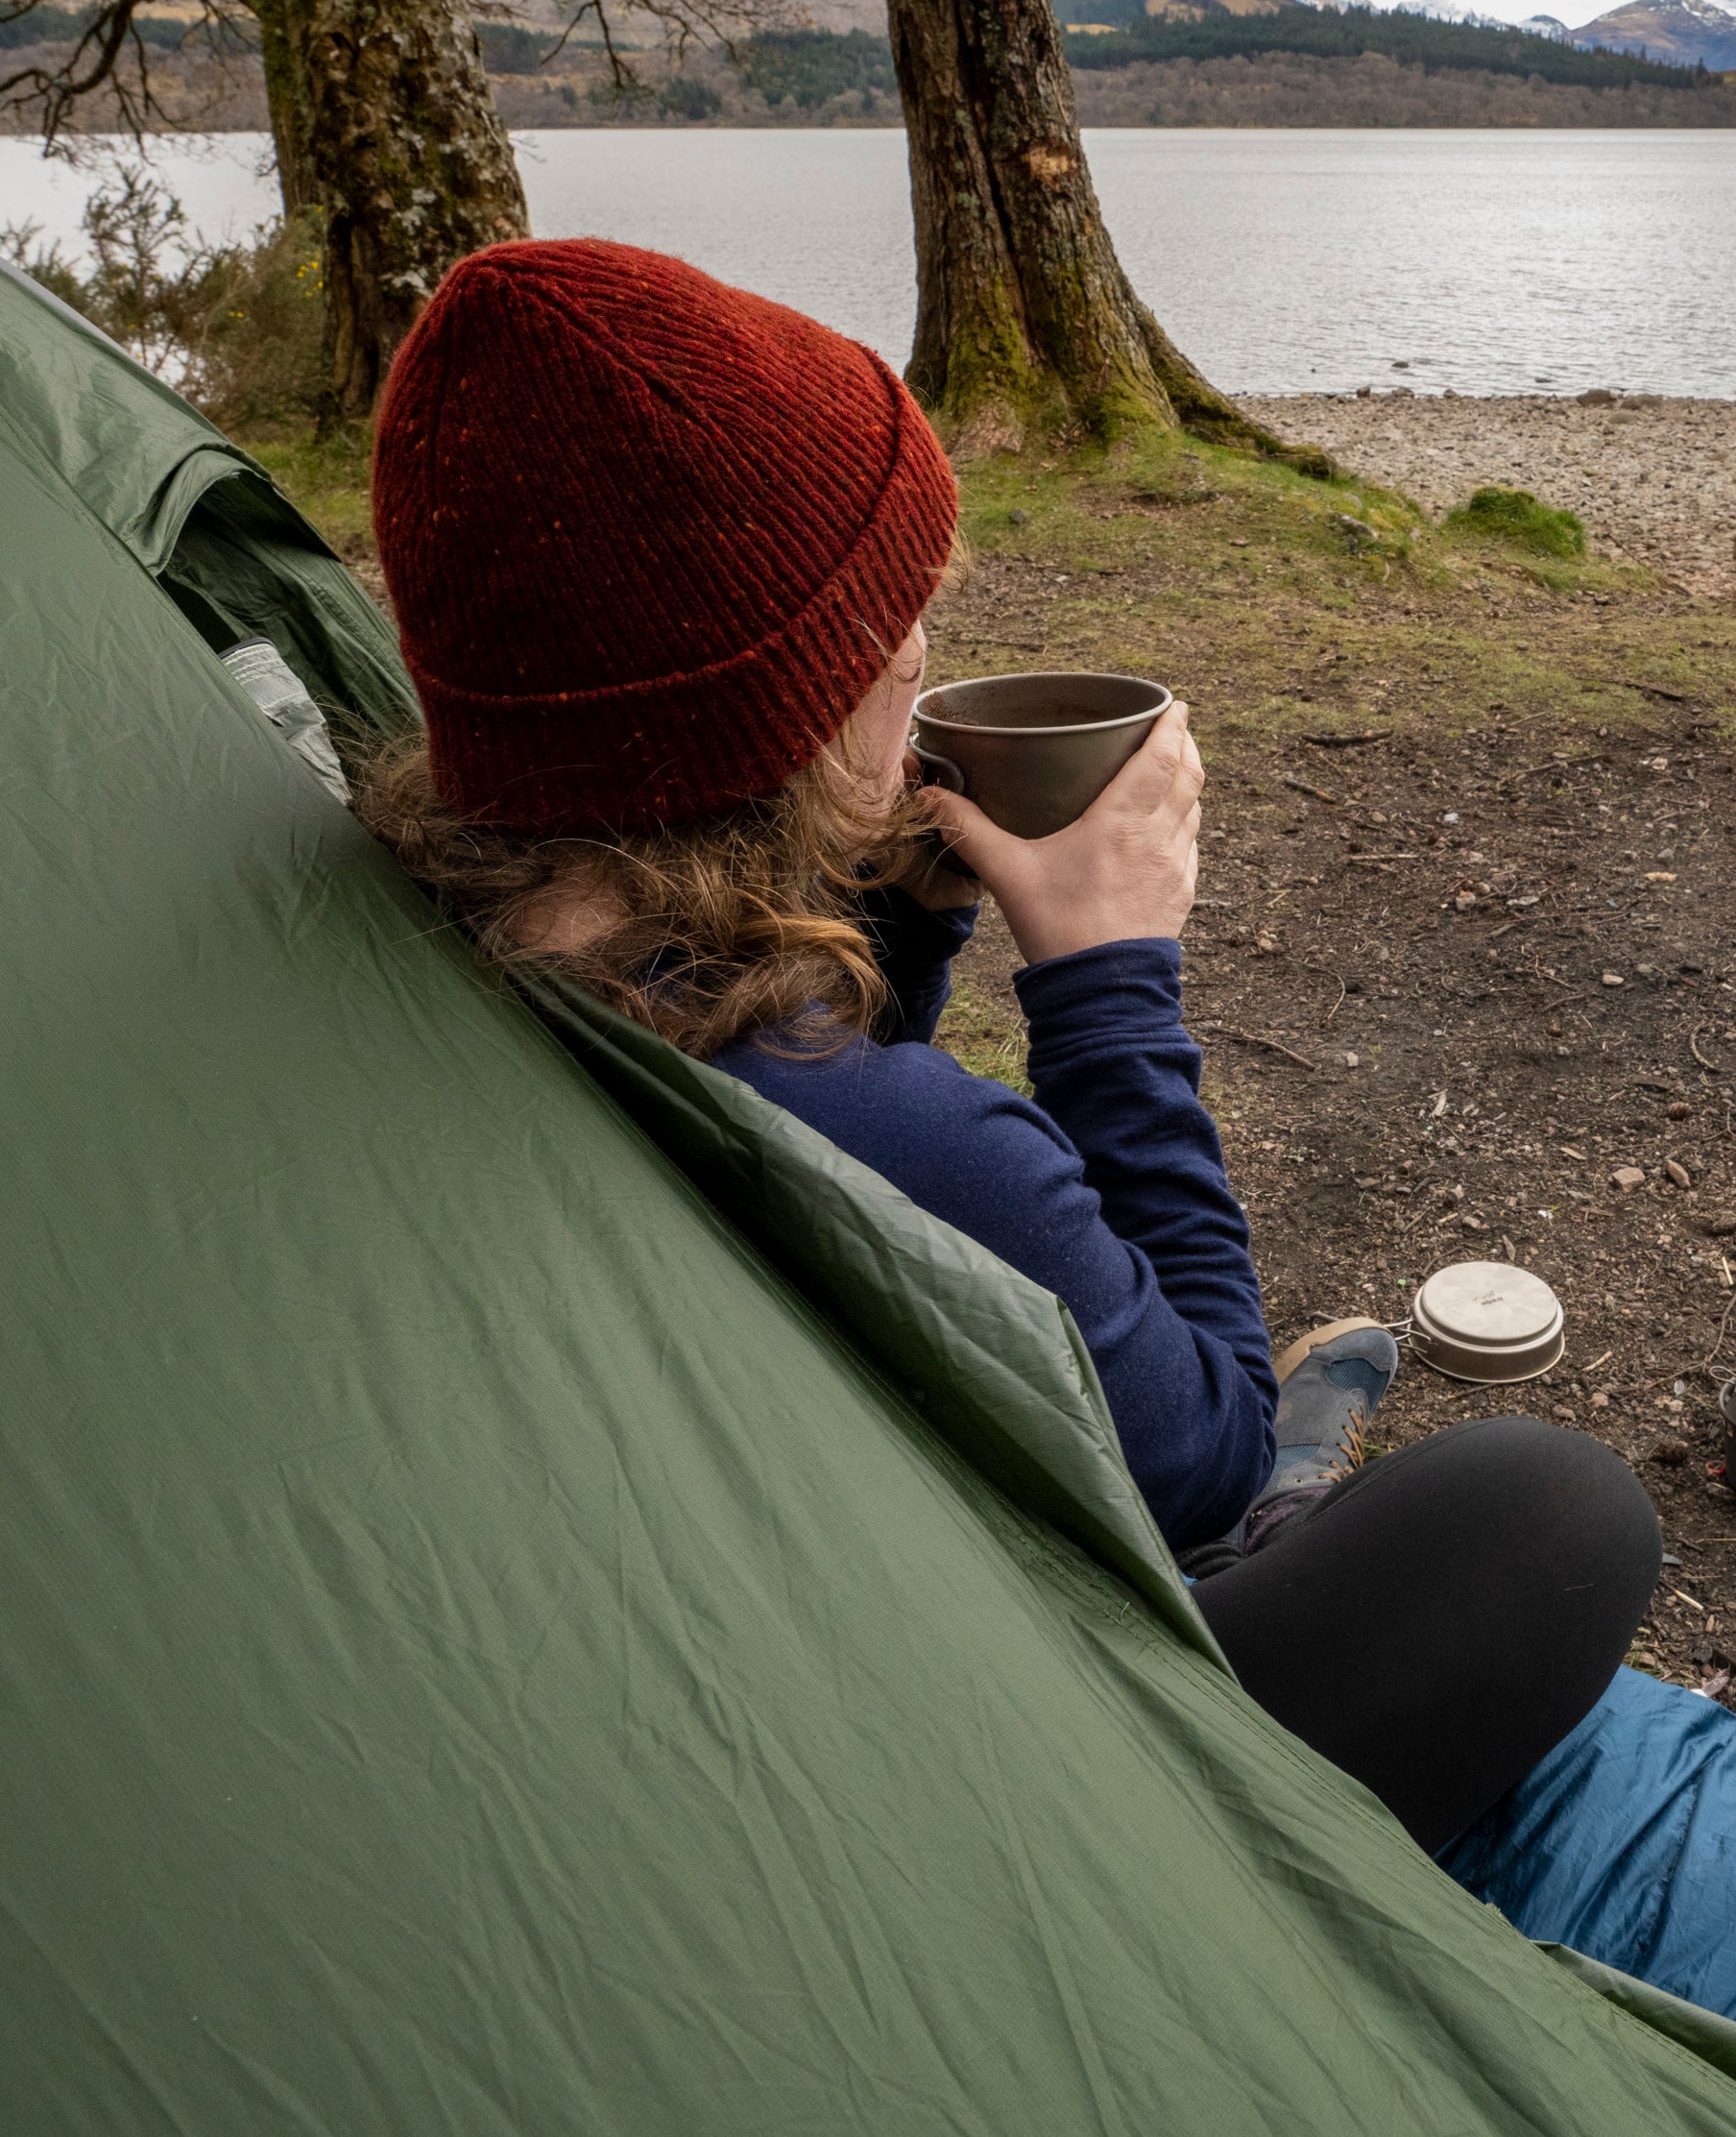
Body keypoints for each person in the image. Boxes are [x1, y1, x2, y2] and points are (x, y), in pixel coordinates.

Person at [350, 237, 1658, 1851]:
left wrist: (897, 906)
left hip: (645, 1566)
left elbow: (808, 1135)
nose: (921, 668)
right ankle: (1293, 1532)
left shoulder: (450, 933)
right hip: (924, 1757)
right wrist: (1107, 971)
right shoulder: (900, 1133)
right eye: (894, 648)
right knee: (1544, 1511)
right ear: (782, 715)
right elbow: (1197, 1441)